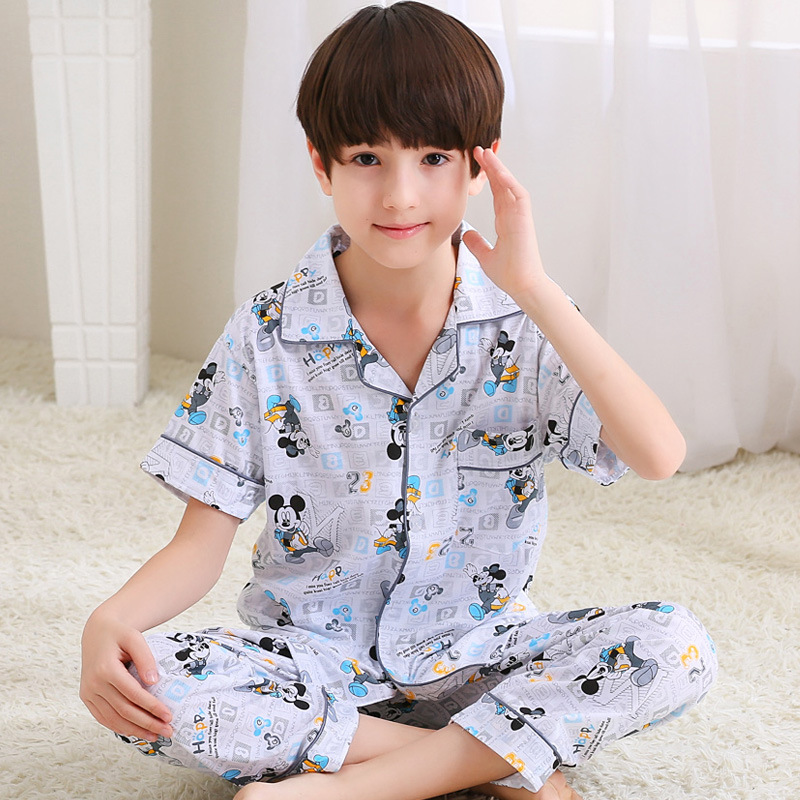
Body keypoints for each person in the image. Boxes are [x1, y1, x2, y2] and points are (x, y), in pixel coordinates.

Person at [80, 4, 717, 799]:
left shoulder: (523, 323)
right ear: (322, 165)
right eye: (367, 157)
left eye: (434, 156)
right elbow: (200, 545)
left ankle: (354, 784)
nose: (401, 194)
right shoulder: (266, 333)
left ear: (482, 165)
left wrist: (536, 289)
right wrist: (111, 619)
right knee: (155, 684)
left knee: (676, 645)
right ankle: (495, 764)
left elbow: (657, 455)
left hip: (480, 659)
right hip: (317, 665)